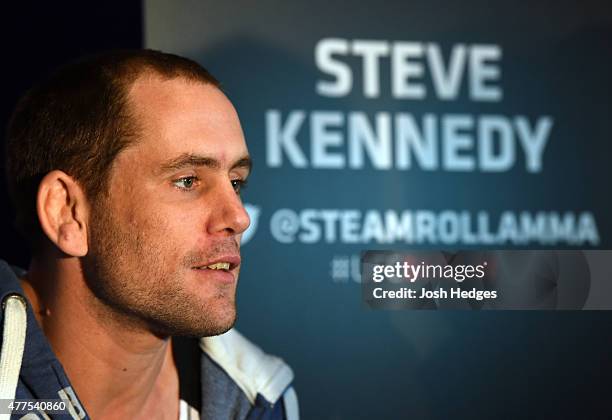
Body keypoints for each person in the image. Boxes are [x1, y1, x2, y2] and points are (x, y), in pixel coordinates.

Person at [0, 49, 298, 419]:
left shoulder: (257, 399)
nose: (238, 217)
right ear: (68, 213)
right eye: (187, 180)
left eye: (236, 182)